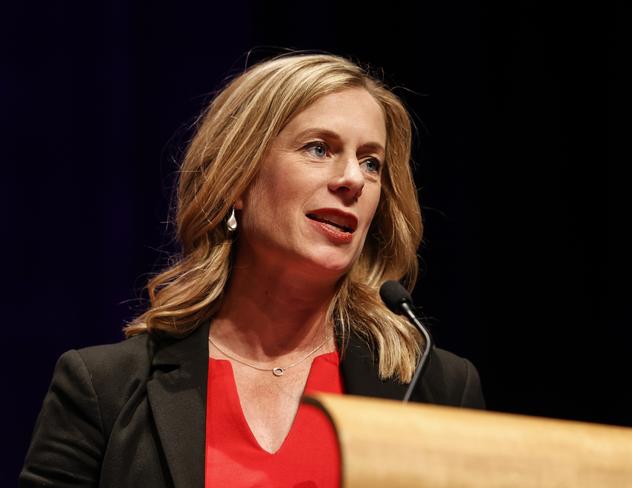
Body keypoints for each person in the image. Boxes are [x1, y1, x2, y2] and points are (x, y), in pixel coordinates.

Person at [20, 52, 485, 488]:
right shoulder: (105, 388)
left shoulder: (434, 386)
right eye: (319, 149)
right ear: (238, 180)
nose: (353, 180)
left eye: (371, 162)